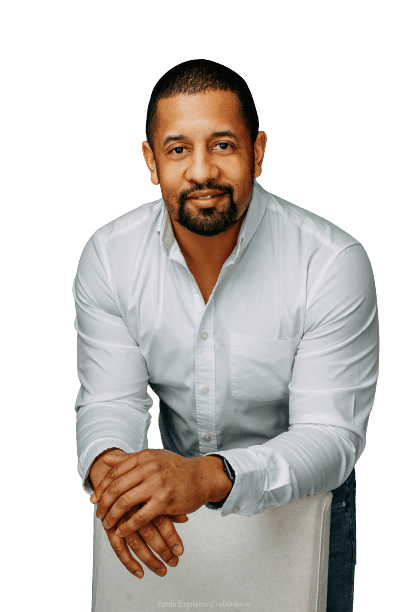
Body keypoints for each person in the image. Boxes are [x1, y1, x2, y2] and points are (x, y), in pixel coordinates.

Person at [73, 59, 379, 611]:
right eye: (178, 149)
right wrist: (116, 478)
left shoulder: (330, 262)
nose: (202, 171)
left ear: (257, 151)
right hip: (171, 507)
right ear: (151, 161)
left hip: (304, 507)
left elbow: (331, 437)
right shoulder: (110, 257)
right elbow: (109, 401)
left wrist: (207, 477)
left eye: (222, 145)